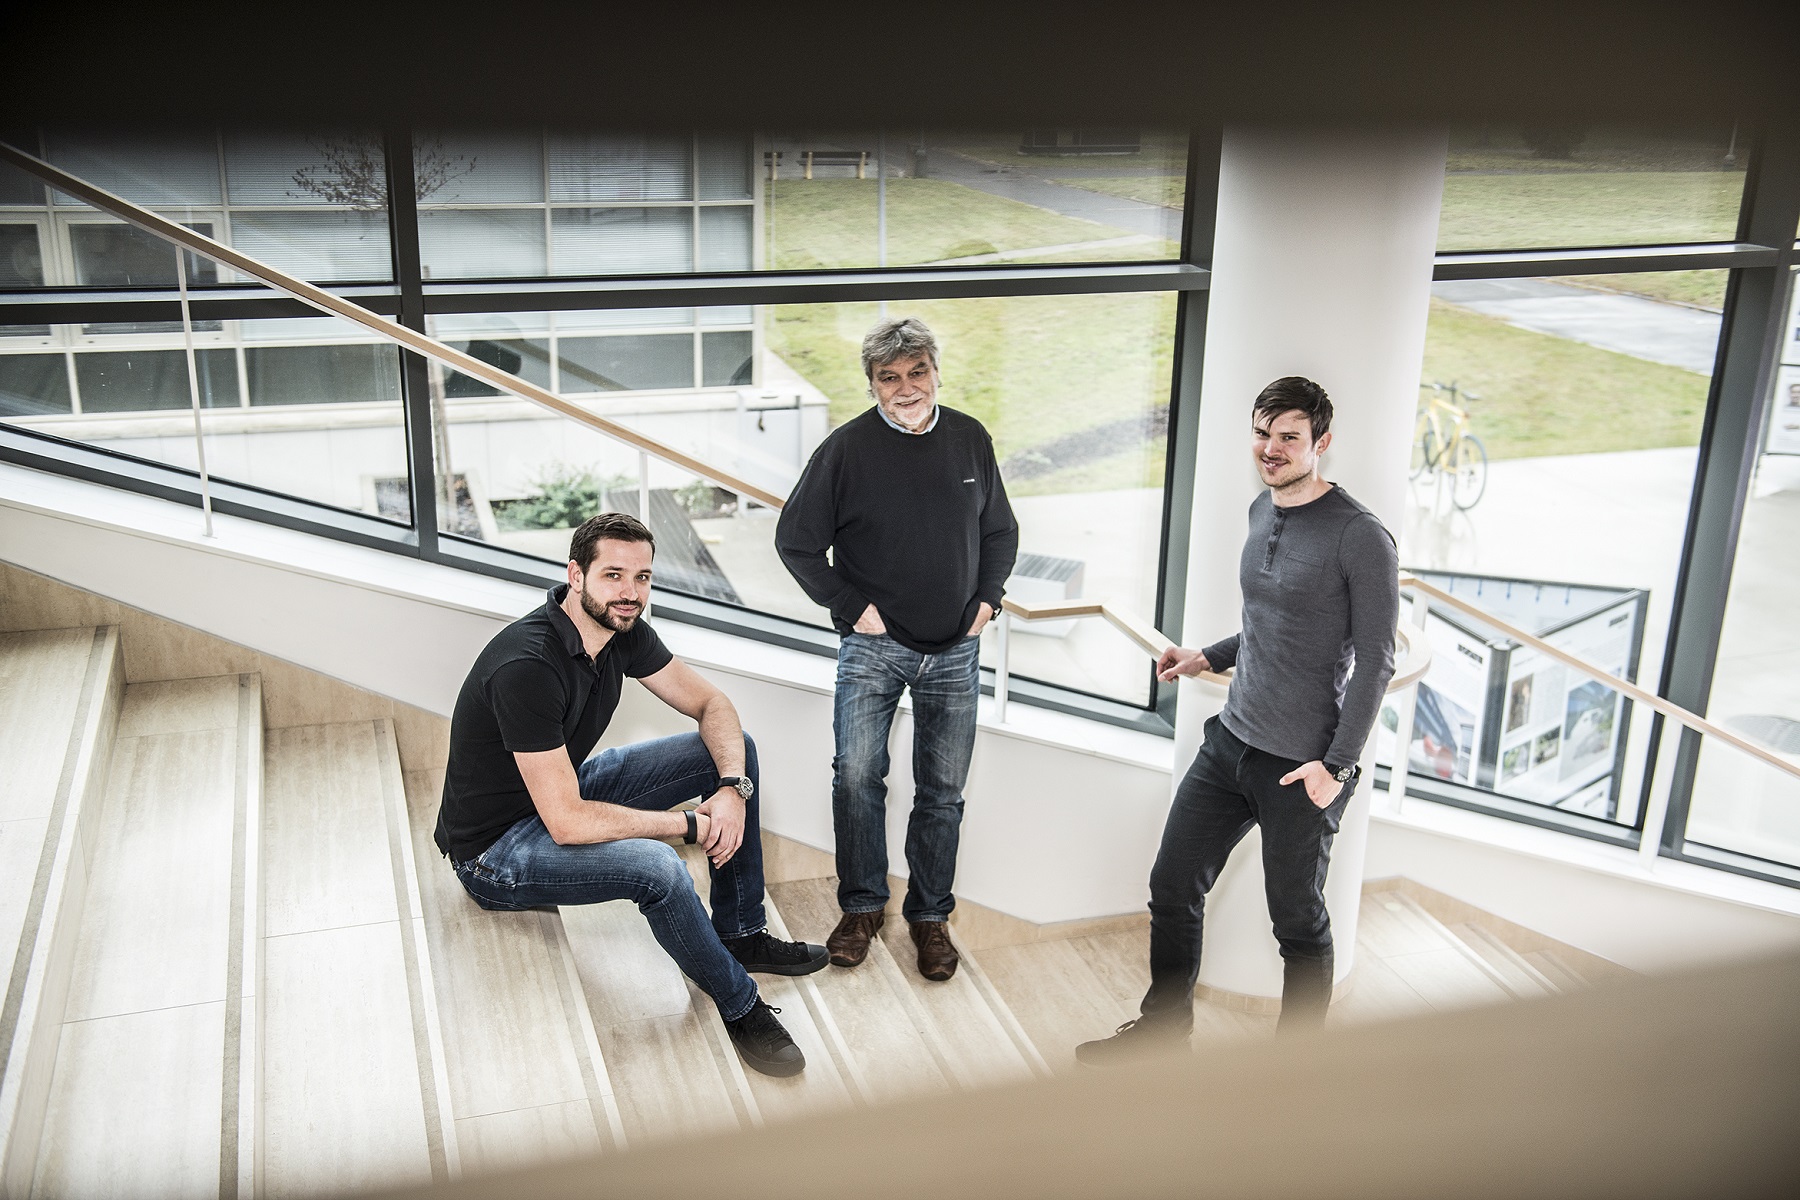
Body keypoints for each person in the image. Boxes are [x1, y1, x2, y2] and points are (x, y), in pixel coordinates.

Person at [433, 511, 828, 1077]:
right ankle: (740, 1004)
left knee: (731, 749)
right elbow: (568, 822)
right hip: (496, 851)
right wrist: (689, 825)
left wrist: (731, 790)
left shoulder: (623, 632)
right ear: (576, 575)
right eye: (613, 575)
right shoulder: (528, 666)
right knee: (659, 869)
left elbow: (712, 705)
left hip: (557, 794)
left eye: (642, 577)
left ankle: (741, 932)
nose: (630, 592)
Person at [1077, 376, 1398, 1064]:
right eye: (1262, 433)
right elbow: (1265, 623)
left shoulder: (1361, 537)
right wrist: (1205, 656)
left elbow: (1377, 661)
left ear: (1321, 442)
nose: (1271, 448)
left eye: (1289, 437)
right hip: (1230, 743)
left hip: (1300, 769)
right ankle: (1164, 1034)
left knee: (1298, 924)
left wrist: (1336, 768)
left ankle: (1291, 1074)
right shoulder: (1262, 508)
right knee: (1172, 886)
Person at [775, 316, 1019, 981]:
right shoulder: (845, 450)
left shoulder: (969, 437)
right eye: (890, 377)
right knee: (857, 777)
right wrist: (852, 607)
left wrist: (988, 600)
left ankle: (930, 917)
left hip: (956, 652)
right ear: (872, 383)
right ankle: (861, 908)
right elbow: (795, 541)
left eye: (917, 372)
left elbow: (1000, 531)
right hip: (873, 649)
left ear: (936, 372)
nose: (906, 387)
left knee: (943, 791)